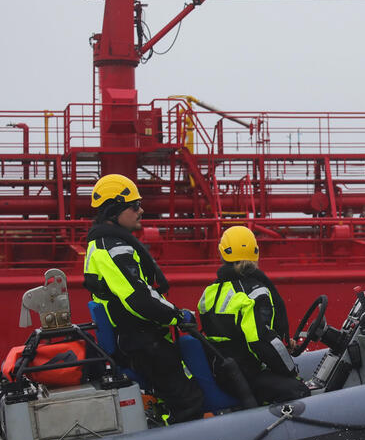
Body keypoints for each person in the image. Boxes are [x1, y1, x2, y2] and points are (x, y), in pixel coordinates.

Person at [83, 174, 205, 423]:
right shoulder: (111, 246)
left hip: (138, 337)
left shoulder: (107, 243)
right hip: (140, 341)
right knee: (189, 401)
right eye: (134, 205)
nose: (141, 210)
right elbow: (137, 297)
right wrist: (176, 315)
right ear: (114, 208)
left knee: (174, 392)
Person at [197, 225, 311, 404]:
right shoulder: (255, 291)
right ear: (256, 252)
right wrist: (290, 371)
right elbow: (261, 340)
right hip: (244, 374)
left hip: (221, 371)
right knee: (299, 391)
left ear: (222, 254)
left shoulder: (209, 293)